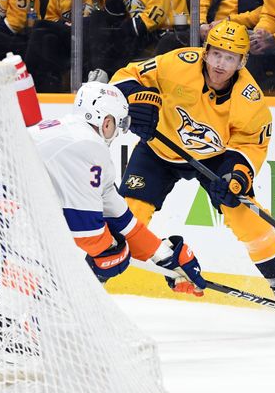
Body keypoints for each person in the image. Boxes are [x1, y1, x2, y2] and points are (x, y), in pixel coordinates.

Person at [110, 21, 275, 322]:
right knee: (128, 217)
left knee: (247, 216)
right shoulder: (177, 63)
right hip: (158, 150)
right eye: (216, 54)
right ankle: (94, 283)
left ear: (242, 61)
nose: (220, 64)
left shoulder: (250, 98)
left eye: (230, 58)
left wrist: (238, 175)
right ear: (205, 52)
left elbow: (251, 143)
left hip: (214, 158)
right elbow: (126, 75)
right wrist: (137, 99)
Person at [29, 81, 206, 295]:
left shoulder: (69, 132)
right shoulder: (87, 145)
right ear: (106, 121)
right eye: (120, 125)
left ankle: (12, 321)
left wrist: (166, 256)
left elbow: (121, 219)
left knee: (36, 251)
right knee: (40, 254)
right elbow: (87, 232)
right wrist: (111, 251)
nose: (118, 132)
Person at [24, 0, 125, 92]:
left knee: (94, 19)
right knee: (42, 31)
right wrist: (66, 25)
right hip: (69, 39)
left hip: (98, 43)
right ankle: (37, 91)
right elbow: (51, 19)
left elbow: (116, 17)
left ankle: (96, 82)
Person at [100, 0, 188, 71]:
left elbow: (156, 15)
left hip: (171, 34)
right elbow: (112, 16)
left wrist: (123, 30)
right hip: (140, 36)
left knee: (115, 41)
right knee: (97, 25)